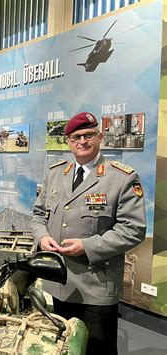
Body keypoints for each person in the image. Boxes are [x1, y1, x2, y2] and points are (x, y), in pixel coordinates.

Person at [31, 112, 146, 355]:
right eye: (76, 137)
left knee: (96, 350)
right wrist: (42, 237)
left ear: (100, 136)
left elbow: (133, 229)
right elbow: (38, 215)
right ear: (69, 142)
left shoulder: (121, 178)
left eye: (88, 135)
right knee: (60, 347)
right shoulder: (55, 173)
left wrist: (88, 246)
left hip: (96, 287)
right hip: (58, 283)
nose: (82, 141)